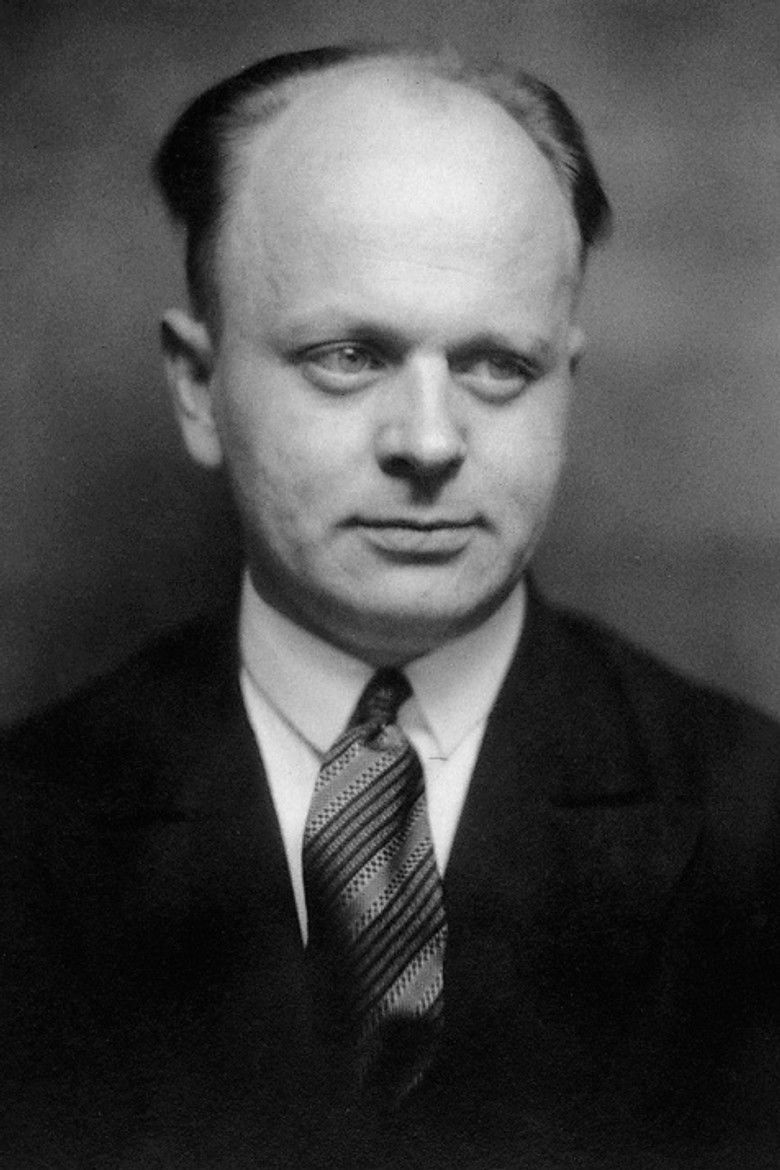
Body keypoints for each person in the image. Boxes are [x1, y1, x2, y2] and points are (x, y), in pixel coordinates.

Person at [2, 44, 778, 1170]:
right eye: (349, 355)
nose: (428, 440)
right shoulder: (27, 829)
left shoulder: (755, 829)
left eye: (497, 365)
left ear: (566, 388)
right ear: (198, 388)